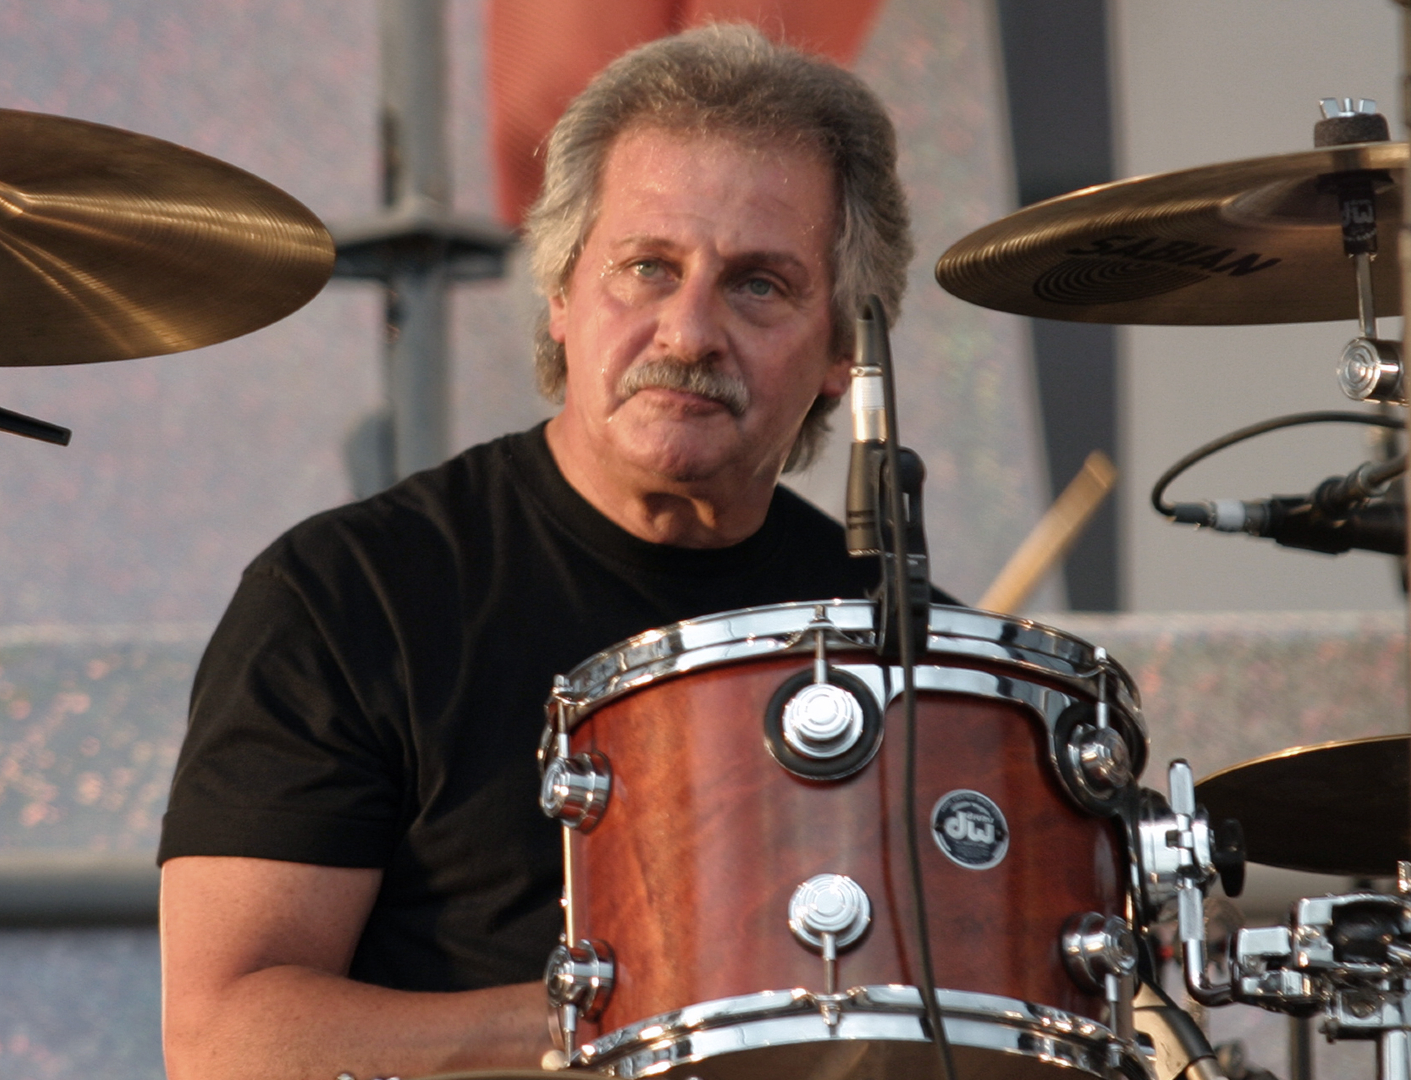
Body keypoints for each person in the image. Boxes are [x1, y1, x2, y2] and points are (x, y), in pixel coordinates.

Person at [156, 24, 915, 1080]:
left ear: (844, 349)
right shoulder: (347, 598)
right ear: (560, 294)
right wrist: (654, 1017)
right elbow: (224, 1040)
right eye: (646, 268)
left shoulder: (914, 649)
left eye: (758, 285)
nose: (689, 331)